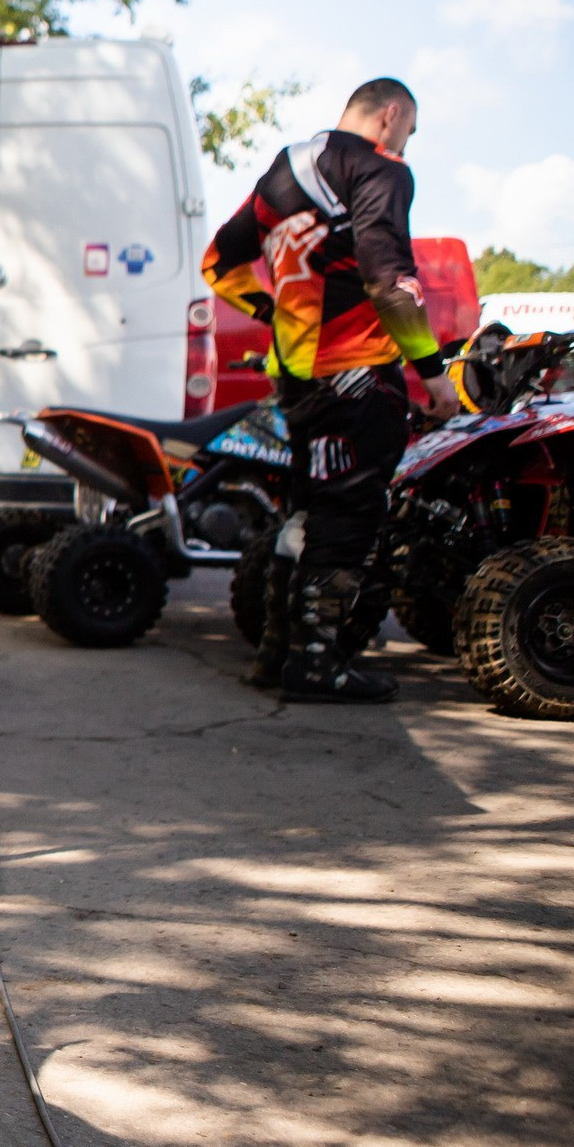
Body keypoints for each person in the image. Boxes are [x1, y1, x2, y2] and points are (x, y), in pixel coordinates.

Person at [202, 77, 459, 703]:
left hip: (299, 382)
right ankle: (316, 664)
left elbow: (217, 262)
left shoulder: (283, 176)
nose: (408, 145)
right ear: (391, 116)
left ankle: (275, 656)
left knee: (304, 514)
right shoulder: (382, 170)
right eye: (411, 132)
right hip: (359, 377)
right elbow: (388, 277)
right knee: (347, 517)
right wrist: (433, 374)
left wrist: (274, 314)